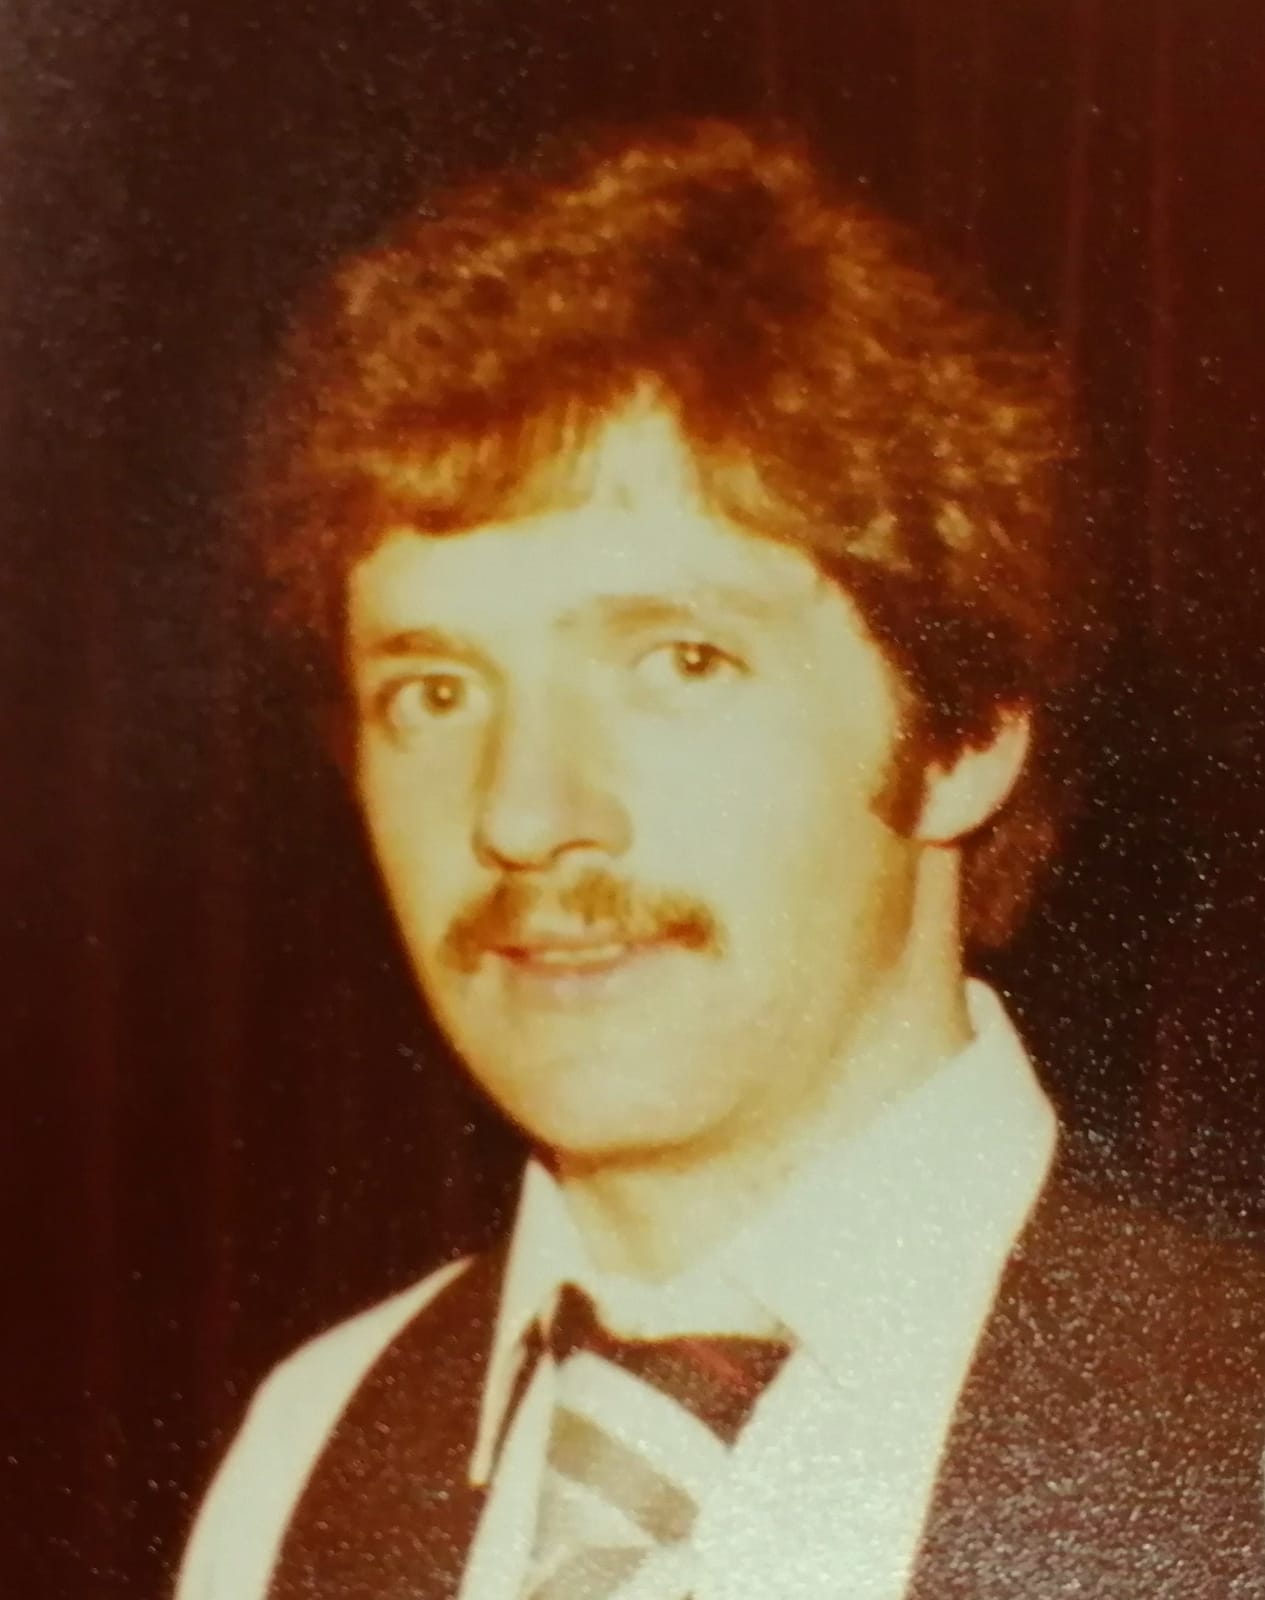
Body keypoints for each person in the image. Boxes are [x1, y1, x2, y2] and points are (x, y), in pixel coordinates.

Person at [175, 119, 1265, 1600]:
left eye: (678, 662)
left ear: (961, 736)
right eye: (433, 692)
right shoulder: (303, 1454)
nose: (522, 813)